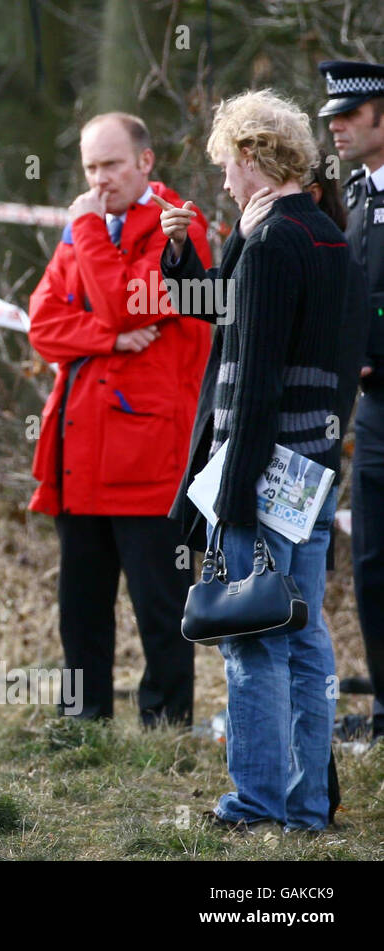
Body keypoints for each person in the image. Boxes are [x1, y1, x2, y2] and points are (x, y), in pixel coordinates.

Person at [162, 89, 349, 832]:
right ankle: (307, 806)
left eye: (226, 166)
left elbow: (258, 371)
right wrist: (187, 253)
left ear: (248, 157)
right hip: (311, 463)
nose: (224, 182)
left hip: (264, 467)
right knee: (302, 634)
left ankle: (254, 802)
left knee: (250, 638)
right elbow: (219, 304)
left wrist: (233, 494)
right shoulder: (322, 233)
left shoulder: (273, 245)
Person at [27, 112, 212, 727]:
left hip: (148, 454)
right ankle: (85, 716)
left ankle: (167, 722)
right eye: (90, 168)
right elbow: (44, 325)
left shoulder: (180, 228)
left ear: (146, 162)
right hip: (78, 450)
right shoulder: (85, 231)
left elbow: (124, 301)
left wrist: (83, 228)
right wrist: (108, 340)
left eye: (110, 165)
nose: (99, 180)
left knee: (160, 601)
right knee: (80, 602)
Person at [320, 60, 384, 744]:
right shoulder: (356, 193)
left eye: (348, 115)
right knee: (370, 561)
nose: (335, 126)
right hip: (370, 407)